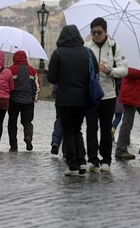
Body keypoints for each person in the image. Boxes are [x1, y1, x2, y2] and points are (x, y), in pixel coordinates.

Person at [47, 25, 98, 176]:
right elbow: (94, 71)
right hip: (83, 99)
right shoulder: (87, 52)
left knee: (68, 131)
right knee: (78, 130)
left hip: (65, 99)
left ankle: (72, 165)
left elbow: (51, 78)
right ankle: (82, 162)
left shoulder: (58, 53)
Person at [84, 17, 128, 173]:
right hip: (91, 95)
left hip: (108, 95)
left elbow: (124, 70)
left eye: (99, 32)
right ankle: (92, 160)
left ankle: (106, 160)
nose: (96, 35)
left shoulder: (115, 48)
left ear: (105, 32)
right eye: (93, 32)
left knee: (105, 128)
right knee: (91, 128)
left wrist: (109, 70)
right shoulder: (87, 47)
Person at [7, 50, 40, 151]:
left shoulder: (11, 70)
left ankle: (13, 145)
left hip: (13, 101)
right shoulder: (32, 71)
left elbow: (7, 86)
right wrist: (33, 99)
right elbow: (37, 87)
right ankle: (28, 136)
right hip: (28, 101)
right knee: (27, 122)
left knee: (12, 123)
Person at [50, 84, 64, 156]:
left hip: (60, 99)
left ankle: (55, 142)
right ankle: (66, 148)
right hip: (74, 99)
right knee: (70, 124)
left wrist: (55, 96)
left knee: (59, 121)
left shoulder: (60, 72)